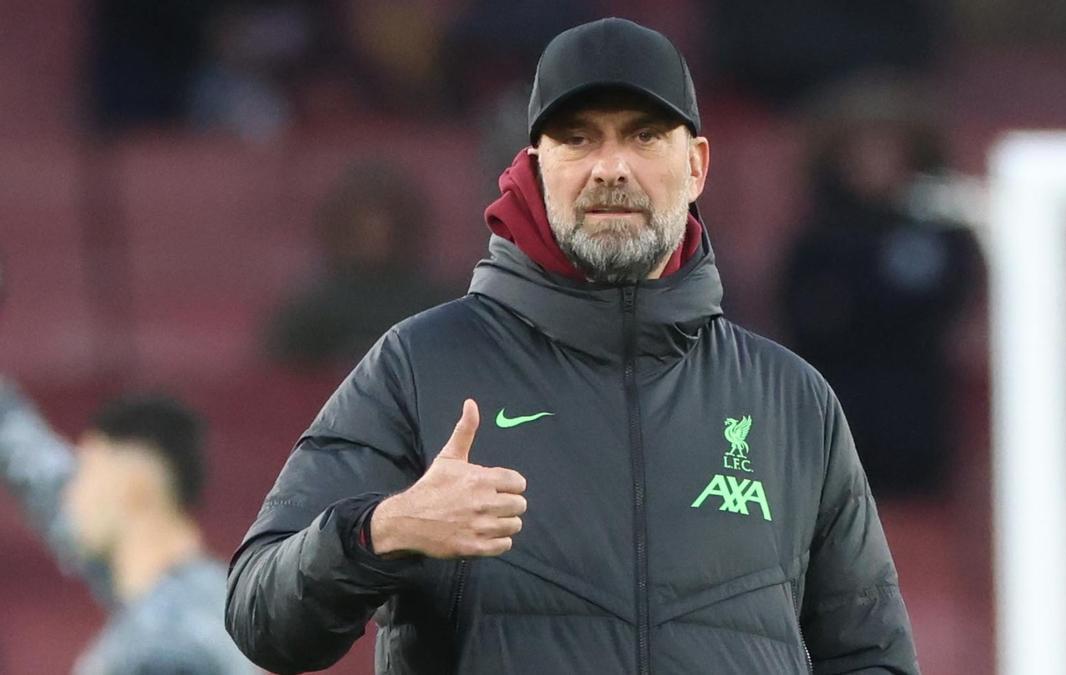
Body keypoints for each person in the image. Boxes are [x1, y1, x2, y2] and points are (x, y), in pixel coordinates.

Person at [226, 18, 919, 674]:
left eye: (645, 136)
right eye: (579, 138)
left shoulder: (792, 401)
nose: (611, 167)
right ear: (534, 166)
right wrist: (380, 530)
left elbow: (871, 653)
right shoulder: (420, 365)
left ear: (698, 164)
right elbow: (259, 612)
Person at [779, 71, 985, 499]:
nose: (875, 159)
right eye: (862, 147)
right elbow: (803, 321)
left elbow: (959, 310)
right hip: (841, 412)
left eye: (887, 145)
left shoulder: (945, 229)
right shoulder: (818, 237)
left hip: (923, 416)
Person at [0, 384, 259, 675]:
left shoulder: (167, 643)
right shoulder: (199, 596)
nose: (72, 496)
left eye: (87, 474)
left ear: (133, 486)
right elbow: (41, 478)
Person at [265, 159, 452, 371]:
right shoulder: (309, 314)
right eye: (364, 220)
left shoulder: (438, 308)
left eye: (382, 219)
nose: (374, 232)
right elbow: (281, 385)